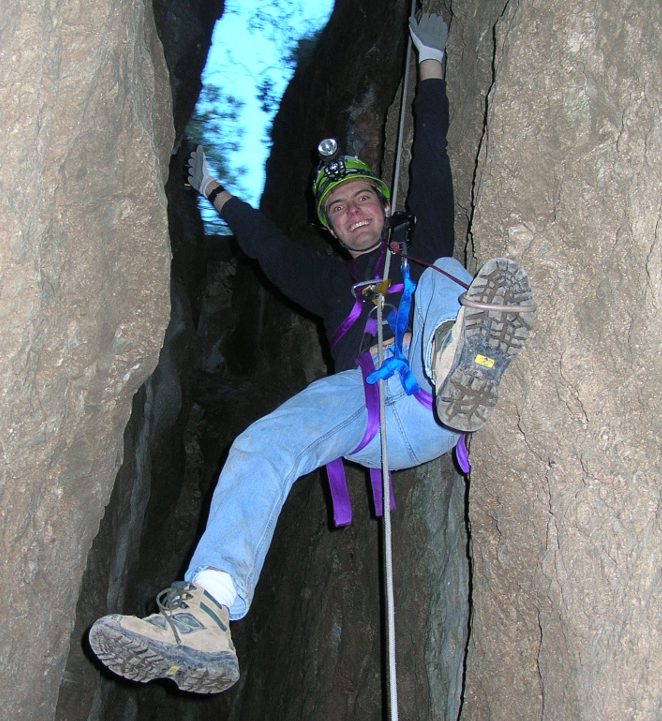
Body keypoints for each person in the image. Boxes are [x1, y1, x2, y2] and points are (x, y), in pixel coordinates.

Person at [88, 14, 534, 694]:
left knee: (443, 270)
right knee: (262, 442)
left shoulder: (418, 237)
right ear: (329, 229)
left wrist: (432, 64)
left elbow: (432, 153)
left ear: (384, 205)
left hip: (432, 390)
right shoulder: (329, 284)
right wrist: (212, 188)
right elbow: (265, 244)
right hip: (366, 413)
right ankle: (206, 611)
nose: (355, 212)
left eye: (363, 198)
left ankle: (458, 359)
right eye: (340, 210)